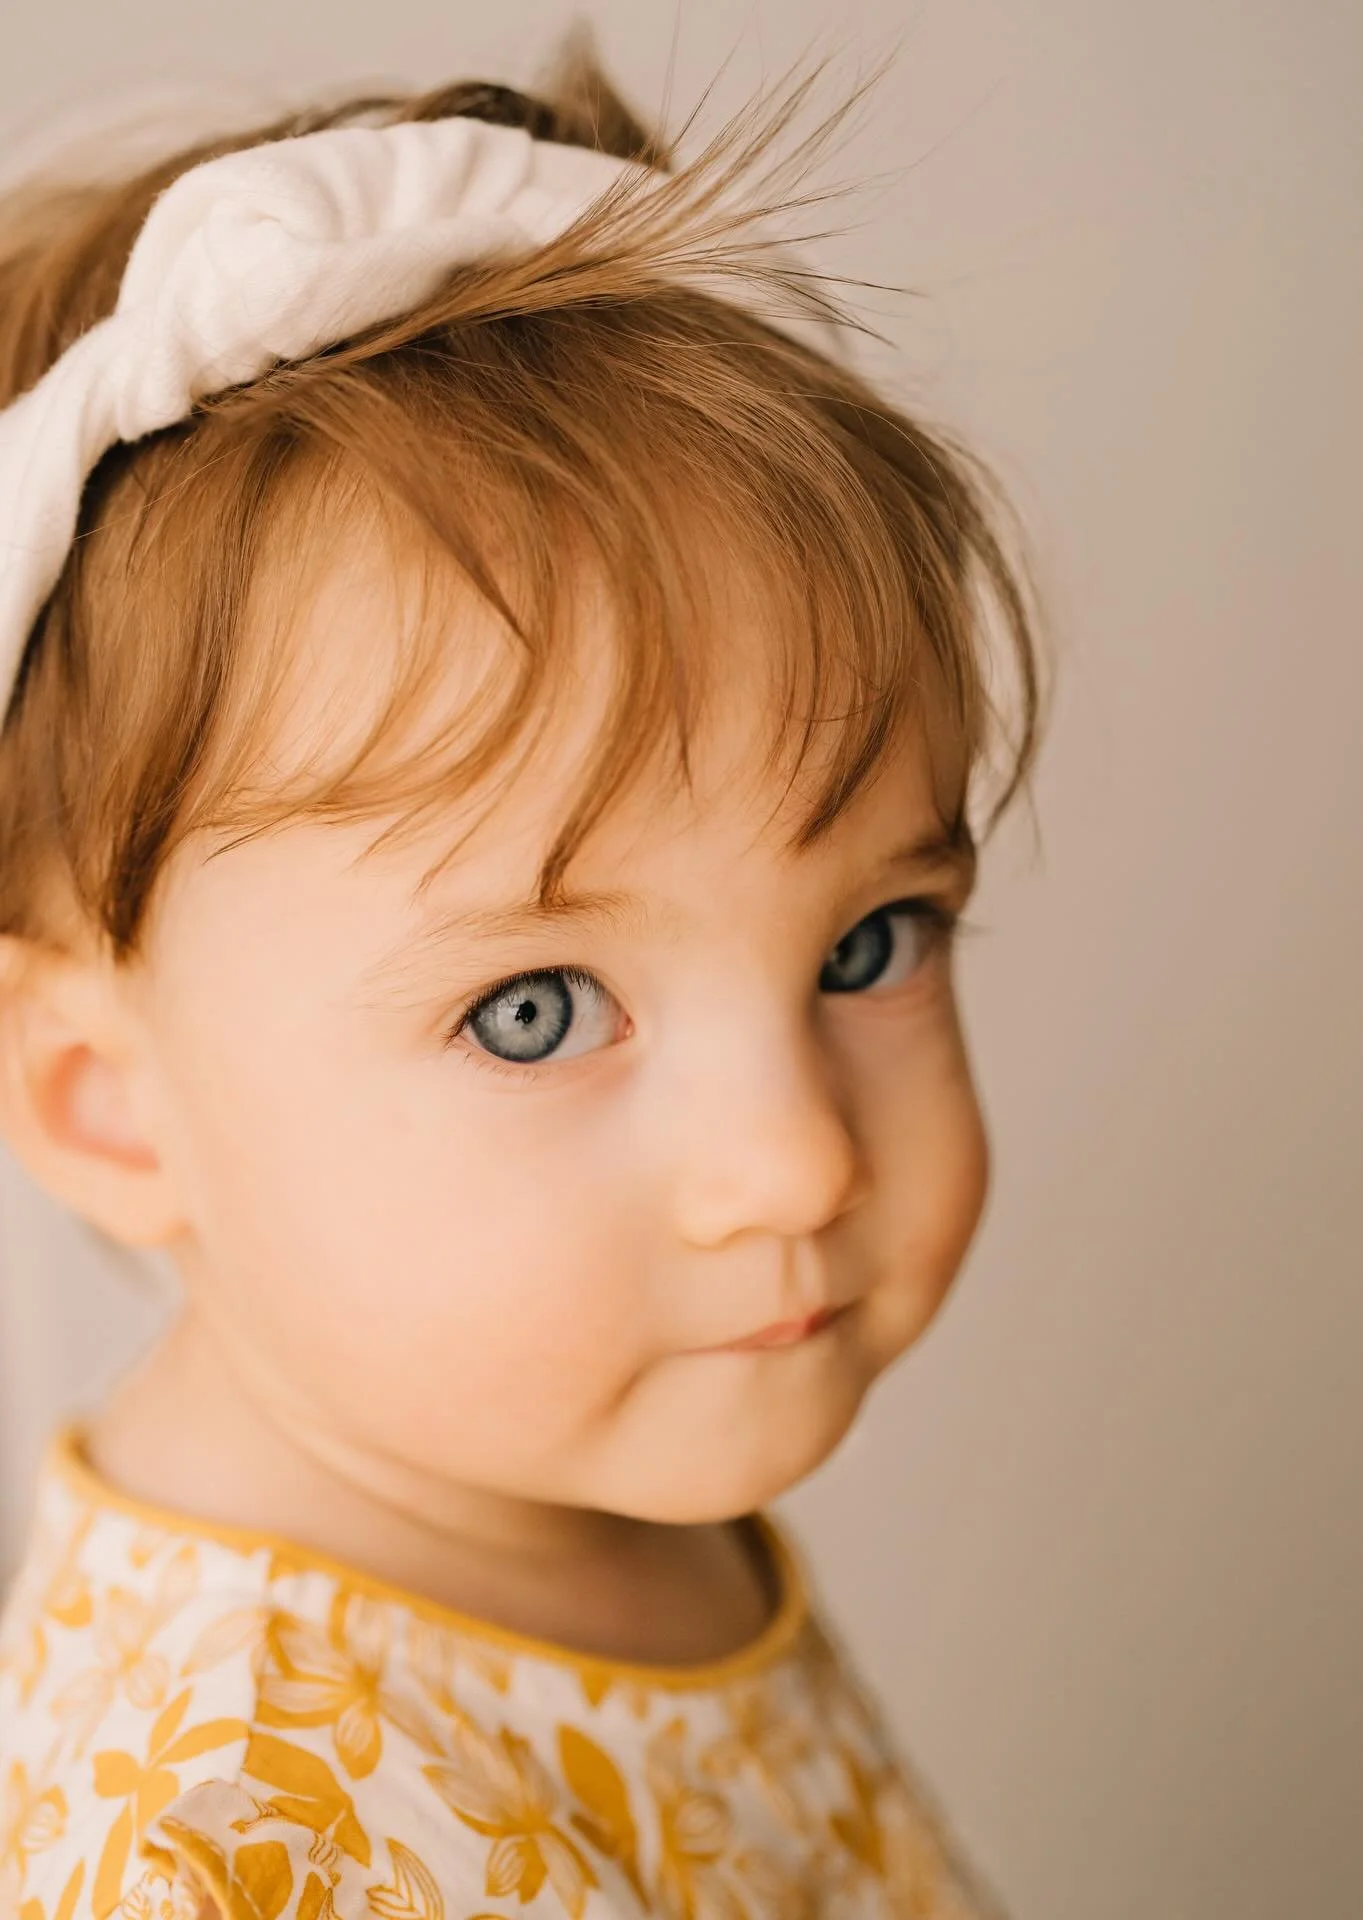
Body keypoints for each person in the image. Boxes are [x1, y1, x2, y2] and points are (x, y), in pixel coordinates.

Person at [0, 31, 1044, 1920]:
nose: (798, 1162)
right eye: (535, 1011)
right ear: (106, 1102)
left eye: (867, 945)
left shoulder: (564, 1476)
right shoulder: (227, 1848)